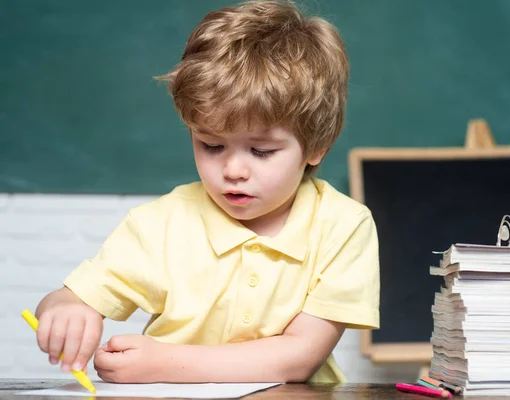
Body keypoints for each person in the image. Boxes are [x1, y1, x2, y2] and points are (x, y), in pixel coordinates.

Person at [34, 0, 380, 384]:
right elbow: (70, 297)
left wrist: (163, 364)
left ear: (317, 146)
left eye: (261, 151)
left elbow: (298, 358)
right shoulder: (160, 224)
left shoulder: (344, 225)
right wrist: (66, 309)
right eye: (211, 146)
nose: (232, 171)